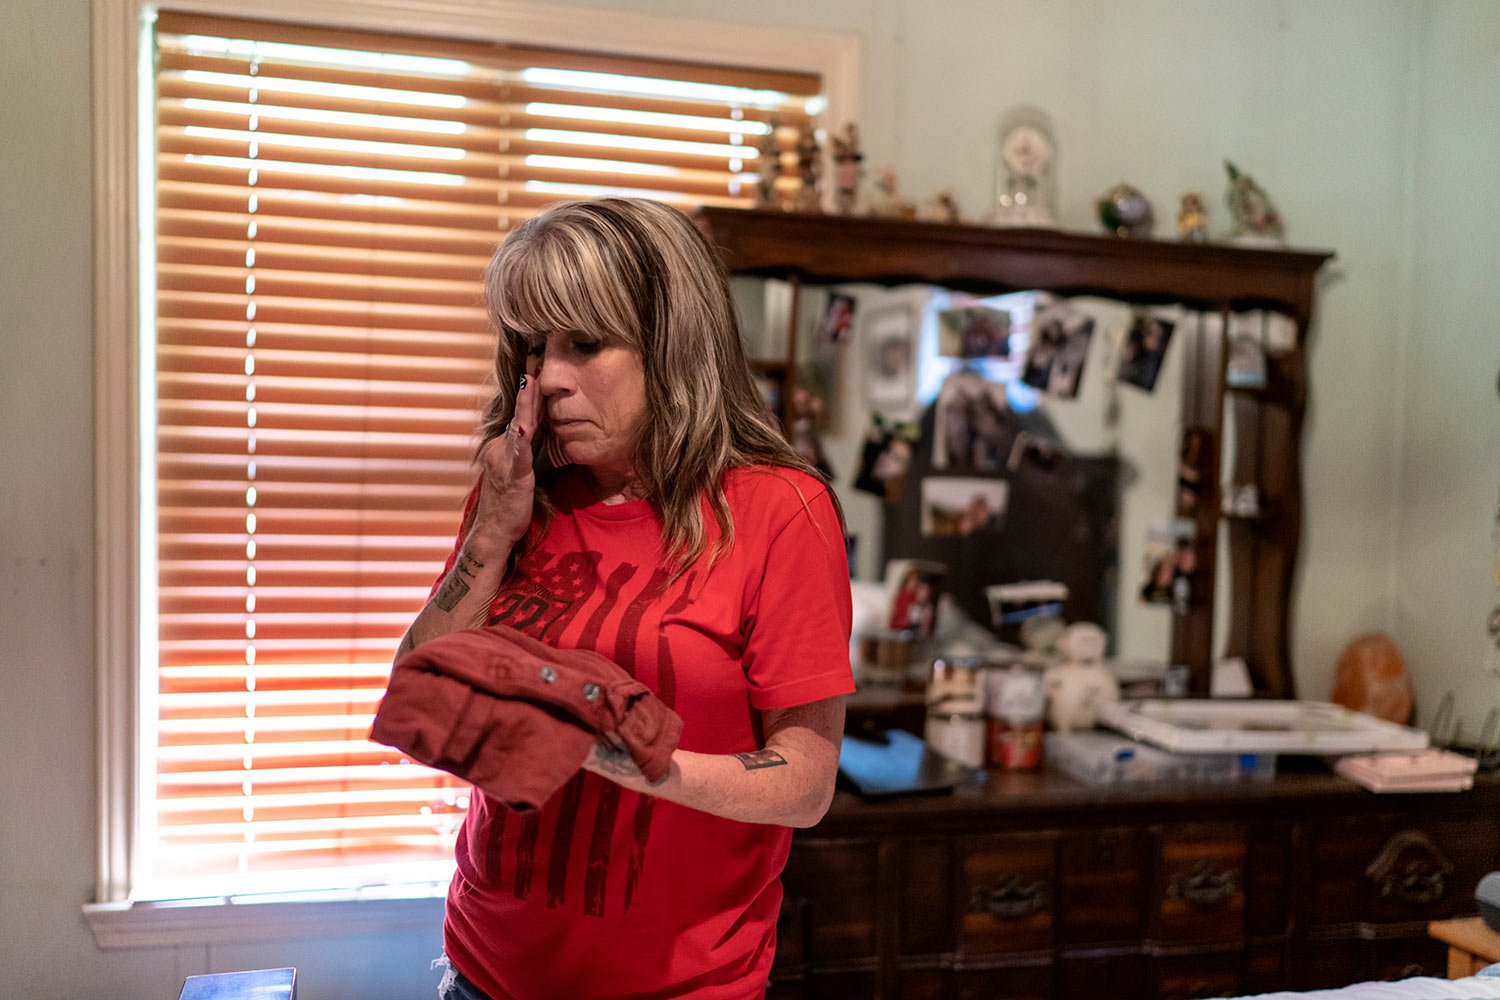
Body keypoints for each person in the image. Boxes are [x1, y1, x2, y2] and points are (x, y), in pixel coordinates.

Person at [392, 198, 855, 1000]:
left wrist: (637, 761)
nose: (550, 378)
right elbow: (421, 700)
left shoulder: (781, 511)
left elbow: (807, 785)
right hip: (484, 976)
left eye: (585, 343)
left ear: (673, 345)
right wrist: (491, 535)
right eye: (534, 347)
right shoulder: (519, 493)